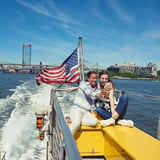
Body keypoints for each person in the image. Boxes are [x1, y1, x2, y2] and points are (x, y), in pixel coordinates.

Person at [69, 71, 102, 135]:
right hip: (77, 109)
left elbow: (100, 96)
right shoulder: (82, 83)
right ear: (88, 78)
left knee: (94, 122)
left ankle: (72, 119)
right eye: (93, 78)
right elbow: (88, 92)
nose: (95, 80)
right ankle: (64, 141)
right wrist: (96, 95)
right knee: (76, 124)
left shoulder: (97, 88)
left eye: (96, 78)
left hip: (86, 111)